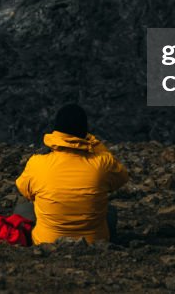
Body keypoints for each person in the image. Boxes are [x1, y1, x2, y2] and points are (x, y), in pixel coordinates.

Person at [13, 104, 129, 244]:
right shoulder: (102, 163)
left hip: (46, 242)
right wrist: (95, 144)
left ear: (56, 131)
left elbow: (25, 191)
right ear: (84, 133)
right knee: (109, 212)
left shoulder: (37, 163)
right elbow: (122, 177)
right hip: (94, 242)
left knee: (22, 208)